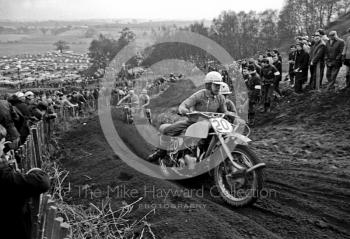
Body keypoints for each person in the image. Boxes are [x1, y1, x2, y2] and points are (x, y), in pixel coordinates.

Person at [147, 71, 236, 162]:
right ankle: (161, 152)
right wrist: (184, 111)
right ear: (209, 85)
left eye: (219, 85)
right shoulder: (199, 95)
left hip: (211, 124)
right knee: (167, 130)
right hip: (194, 122)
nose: (218, 87)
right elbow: (183, 105)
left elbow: (224, 111)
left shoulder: (220, 98)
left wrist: (233, 115)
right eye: (216, 85)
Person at [0, 124, 50, 239]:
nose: (3, 148)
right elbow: (43, 182)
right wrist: (35, 172)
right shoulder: (5, 177)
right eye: (2, 144)